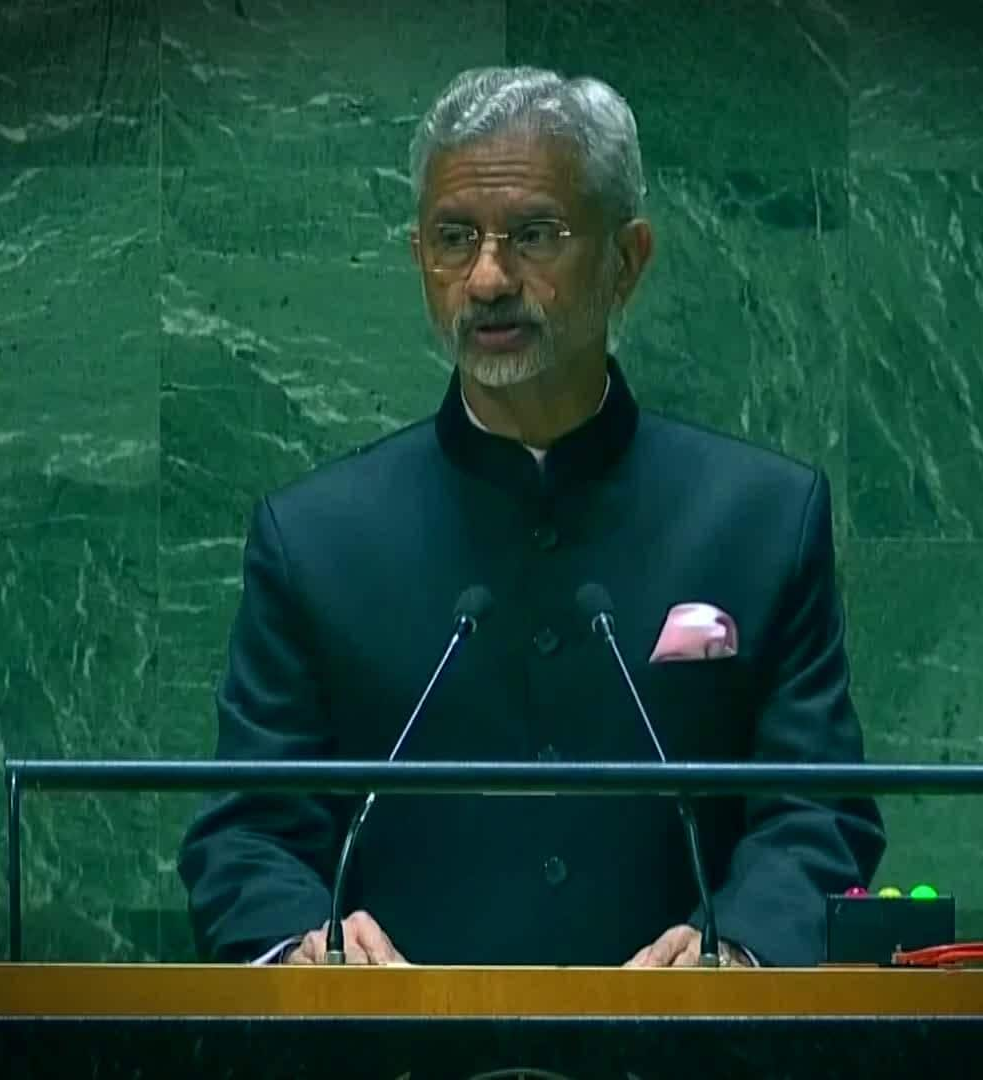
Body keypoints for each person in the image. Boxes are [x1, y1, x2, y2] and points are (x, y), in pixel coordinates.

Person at [178, 66, 884, 968]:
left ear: (627, 260)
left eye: (534, 236)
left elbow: (816, 813)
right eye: (453, 237)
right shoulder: (314, 539)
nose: (487, 277)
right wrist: (299, 952)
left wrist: (737, 955)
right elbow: (248, 833)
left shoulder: (758, 518)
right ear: (419, 260)